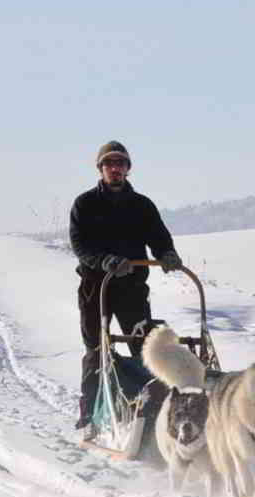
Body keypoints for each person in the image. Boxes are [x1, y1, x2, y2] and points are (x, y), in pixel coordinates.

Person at [69, 140, 183, 438]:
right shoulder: (85, 204)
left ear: (128, 169)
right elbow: (80, 245)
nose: (115, 168)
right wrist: (105, 260)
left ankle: (151, 407)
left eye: (120, 163)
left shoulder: (141, 205)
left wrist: (167, 254)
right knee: (97, 349)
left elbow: (158, 236)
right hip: (97, 288)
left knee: (145, 348)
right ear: (101, 169)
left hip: (132, 288)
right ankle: (89, 415)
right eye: (109, 164)